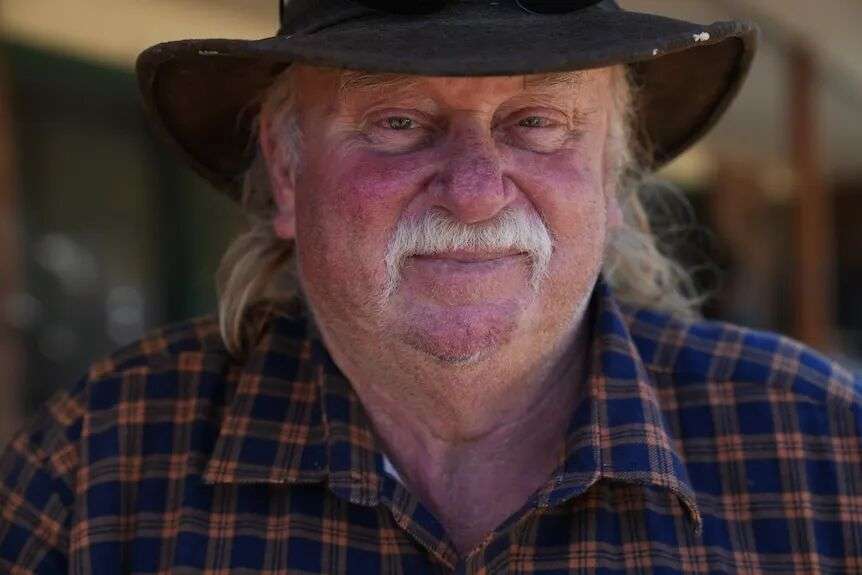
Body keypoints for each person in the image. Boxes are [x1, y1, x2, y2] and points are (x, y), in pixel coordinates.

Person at [2, 1, 860, 573]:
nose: (476, 191)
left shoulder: (824, 449)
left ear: (611, 175)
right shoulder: (97, 467)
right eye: (399, 121)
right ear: (288, 170)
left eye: (537, 122)